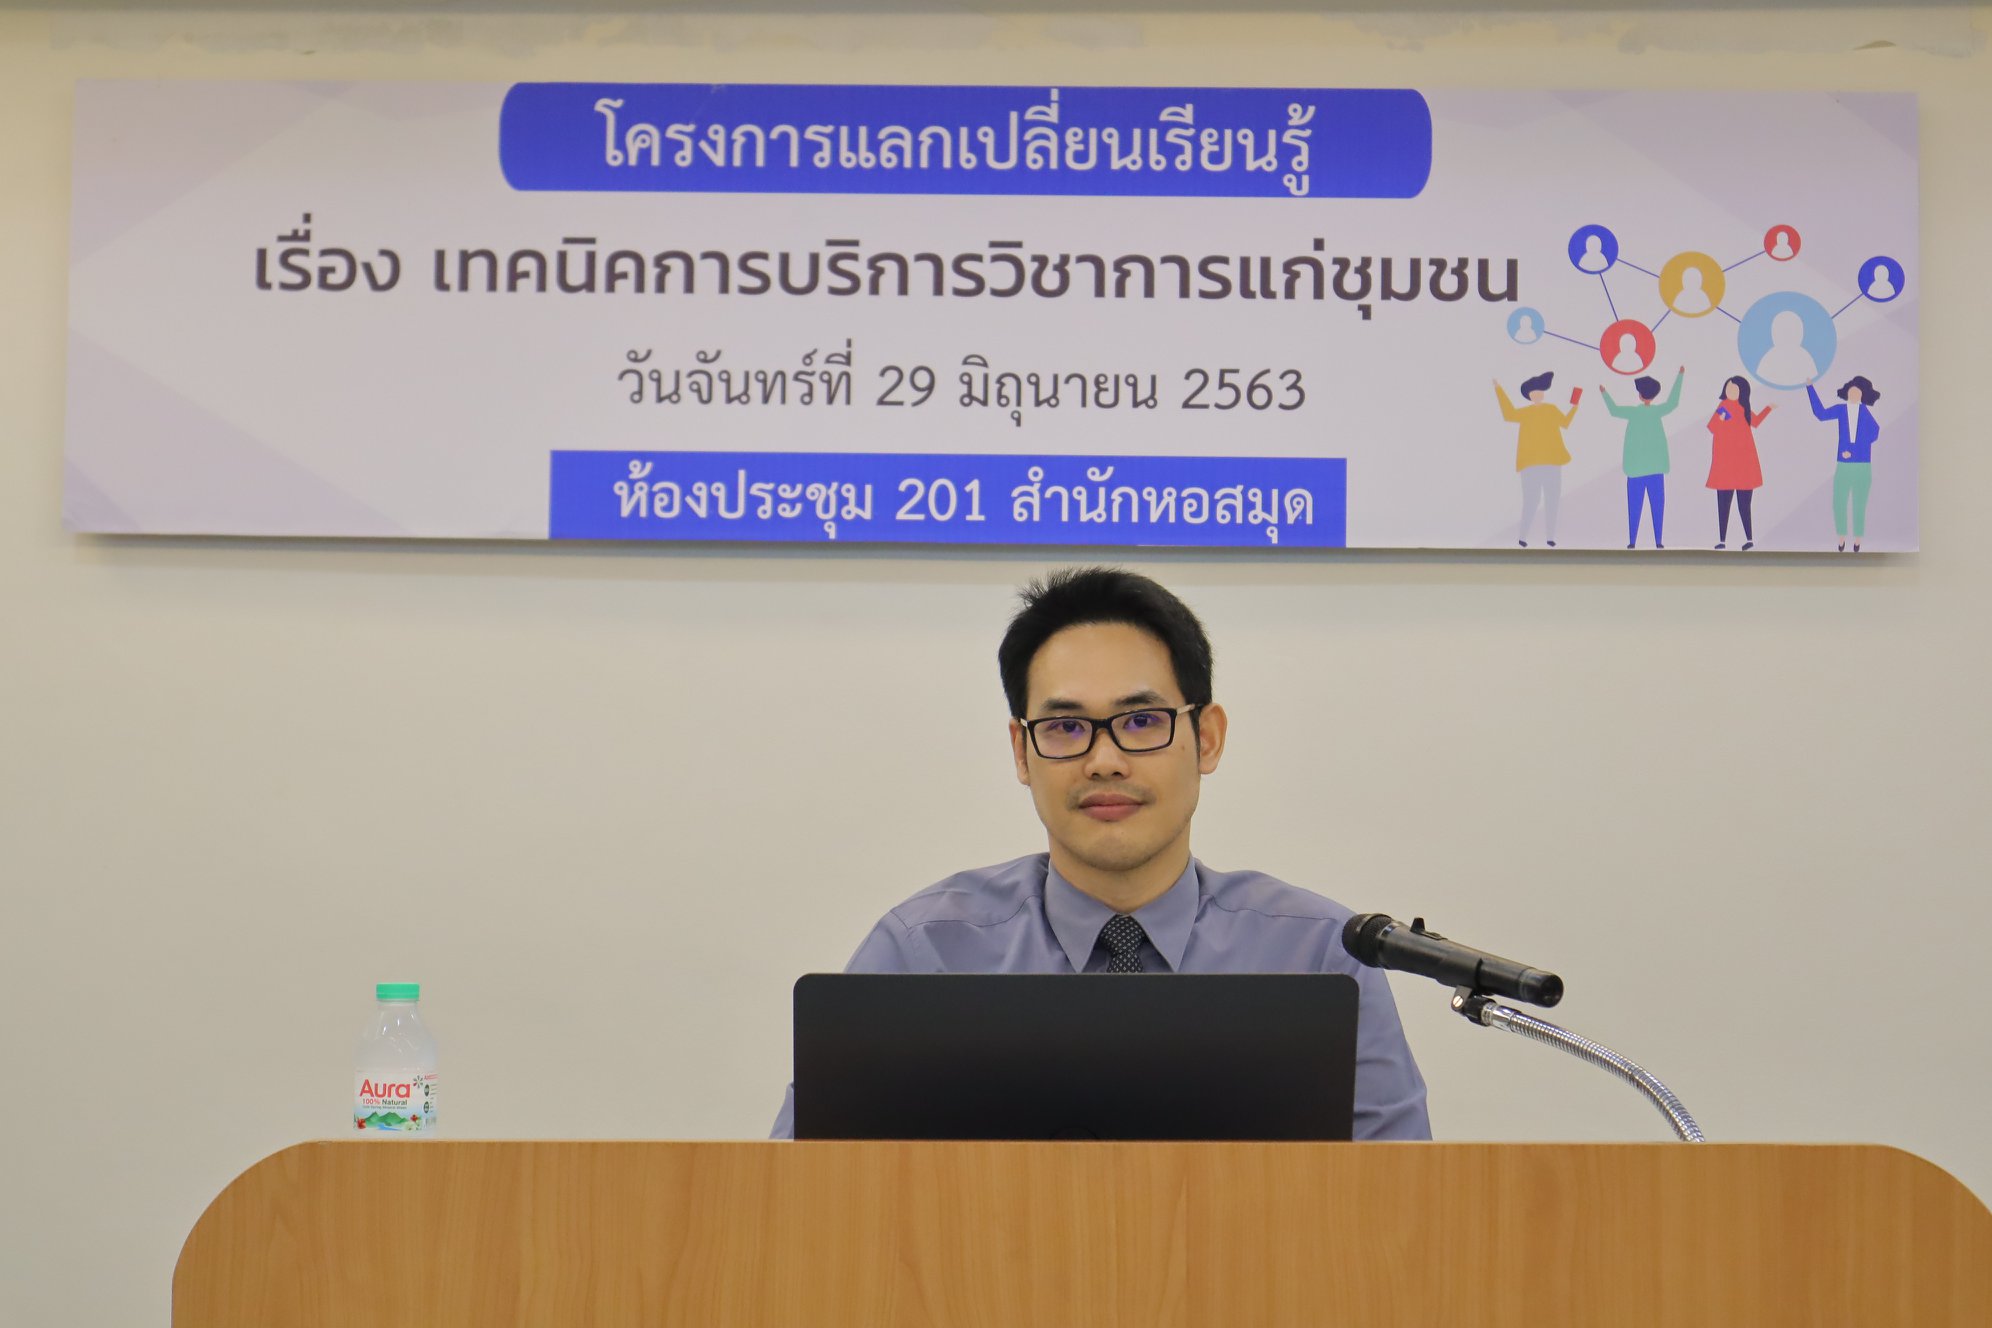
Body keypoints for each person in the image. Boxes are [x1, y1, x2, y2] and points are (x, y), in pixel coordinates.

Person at [768, 568, 1430, 1141]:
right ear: (1022, 752)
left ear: (1206, 738)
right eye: (1065, 727)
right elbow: (804, 1199)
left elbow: (1400, 1209)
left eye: (1141, 721)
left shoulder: (1319, 958)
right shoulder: (924, 955)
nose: (1105, 760)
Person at [1601, 367, 1685, 548]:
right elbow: (1673, 402)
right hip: (1654, 469)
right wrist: (1680, 376)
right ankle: (1658, 542)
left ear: (1640, 395)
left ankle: (1632, 542)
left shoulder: (1634, 412)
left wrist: (1604, 393)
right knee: (1657, 506)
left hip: (1636, 470)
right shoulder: (1656, 412)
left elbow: (1614, 410)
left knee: (1634, 507)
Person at [1495, 371, 1579, 547]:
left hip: (1552, 464)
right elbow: (1509, 414)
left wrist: (1574, 407)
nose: (1538, 394)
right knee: (1531, 501)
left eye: (1540, 391)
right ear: (1529, 395)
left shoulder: (1551, 409)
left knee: (1552, 501)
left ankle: (1550, 537)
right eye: (1535, 392)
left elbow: (1565, 423)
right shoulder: (1525, 413)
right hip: (1530, 465)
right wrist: (1499, 389)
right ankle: (1523, 537)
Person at [1807, 374, 1882, 551]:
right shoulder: (1841, 409)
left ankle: (1857, 540)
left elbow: (1875, 432)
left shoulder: (1864, 412)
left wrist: (1854, 451)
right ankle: (1841, 538)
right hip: (1844, 465)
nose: (1853, 394)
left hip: (1863, 465)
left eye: (1857, 392)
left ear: (1863, 395)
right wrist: (1810, 388)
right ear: (1847, 392)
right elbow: (1821, 414)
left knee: (1859, 503)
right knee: (1839, 501)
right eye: (1851, 391)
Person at [1706, 375, 1774, 549]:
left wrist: (1768, 408)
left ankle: (1749, 539)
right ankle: (1722, 541)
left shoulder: (1744, 408)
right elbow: (1712, 427)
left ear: (1742, 391)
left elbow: (1755, 422)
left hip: (1744, 463)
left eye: (1734, 388)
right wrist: (1721, 419)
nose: (1730, 391)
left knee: (1745, 504)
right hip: (1725, 463)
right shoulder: (1723, 406)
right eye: (1728, 387)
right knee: (1723, 504)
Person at [1754, 310, 1820, 387]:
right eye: (1783, 331)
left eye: (1790, 331)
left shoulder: (1804, 357)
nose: (1787, 335)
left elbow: (1810, 377)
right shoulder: (1769, 358)